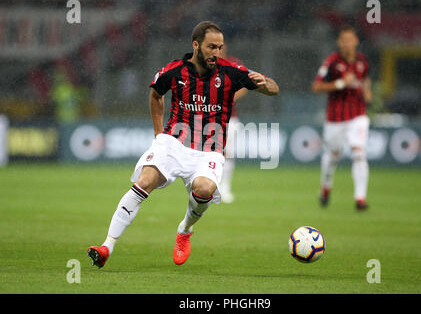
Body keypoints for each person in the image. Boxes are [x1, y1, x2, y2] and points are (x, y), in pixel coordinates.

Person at [87, 21, 279, 268]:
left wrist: (264, 82)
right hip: (173, 143)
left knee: (204, 188)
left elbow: (274, 89)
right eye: (211, 47)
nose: (216, 53)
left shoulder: (231, 71)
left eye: (220, 48)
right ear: (196, 45)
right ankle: (106, 247)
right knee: (144, 181)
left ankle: (185, 229)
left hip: (209, 149)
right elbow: (156, 93)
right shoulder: (175, 71)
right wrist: (159, 135)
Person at [311, 25, 372, 211]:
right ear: (339, 42)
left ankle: (360, 198)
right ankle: (326, 187)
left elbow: (366, 79)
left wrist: (367, 92)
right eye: (343, 40)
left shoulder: (362, 61)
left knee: (358, 153)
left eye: (350, 40)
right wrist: (339, 83)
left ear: (356, 41)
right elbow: (316, 87)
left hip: (358, 115)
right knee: (332, 157)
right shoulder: (332, 61)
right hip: (335, 118)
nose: (347, 43)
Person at [219, 43, 248, 204]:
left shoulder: (233, 64)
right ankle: (210, 187)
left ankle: (225, 188)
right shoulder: (206, 66)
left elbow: (244, 86)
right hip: (207, 119)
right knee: (208, 153)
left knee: (228, 153)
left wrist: (226, 98)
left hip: (230, 118)